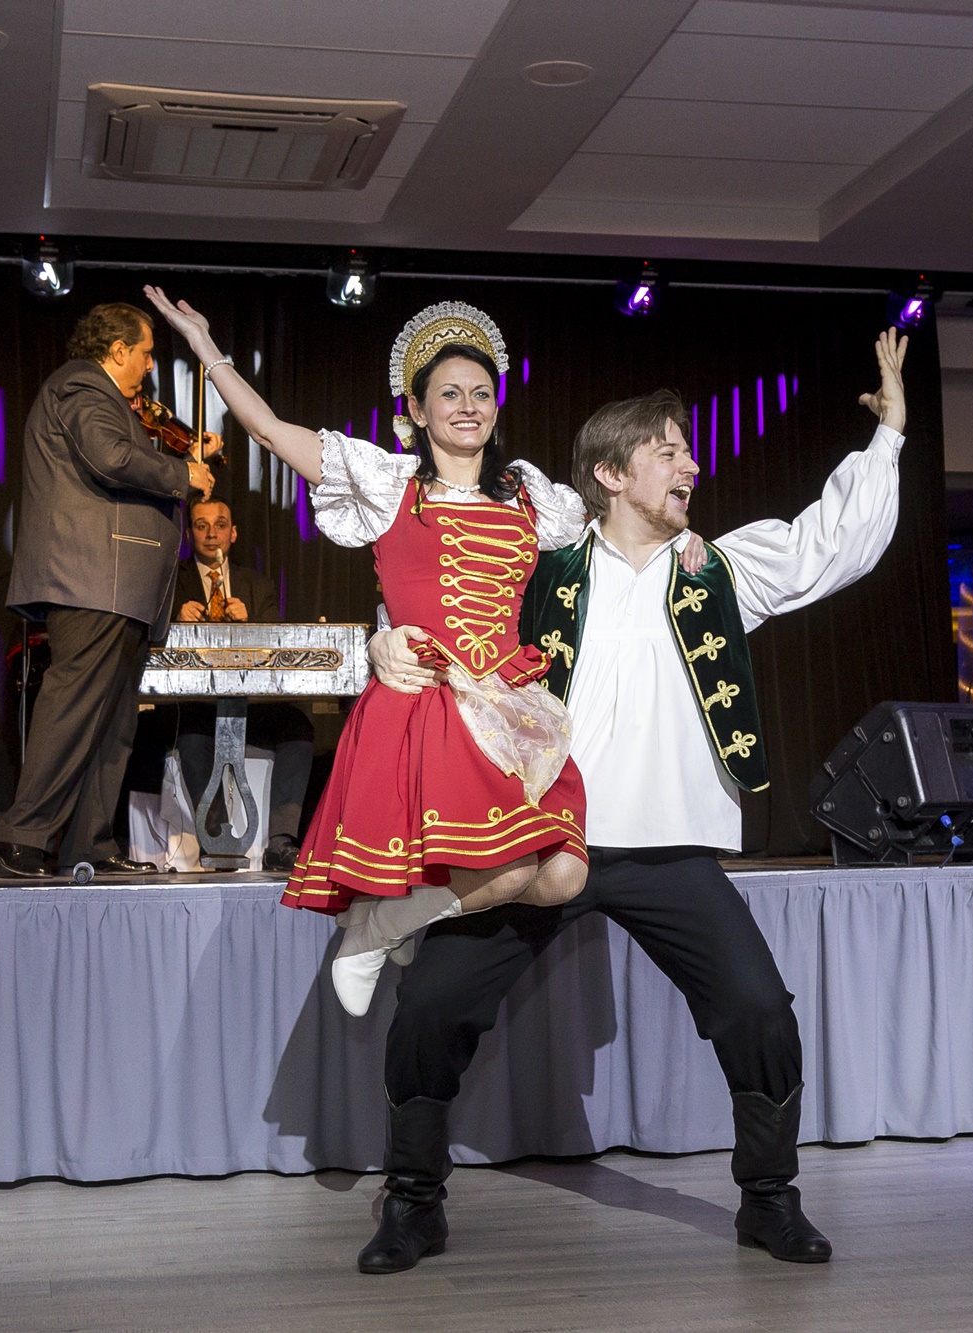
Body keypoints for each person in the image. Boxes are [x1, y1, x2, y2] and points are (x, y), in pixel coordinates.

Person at [355, 329, 909, 1274]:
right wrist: (384, 640)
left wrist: (888, 435)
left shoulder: (718, 569)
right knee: (431, 1005)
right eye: (669, 451)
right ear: (611, 474)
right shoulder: (543, 566)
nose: (691, 466)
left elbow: (833, 541)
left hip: (666, 848)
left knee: (759, 1010)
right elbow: (442, 600)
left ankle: (768, 1199)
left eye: (688, 452)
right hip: (543, 841)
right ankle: (412, 1201)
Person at [147, 288, 621, 1017]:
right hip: (429, 702)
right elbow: (269, 430)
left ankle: (385, 922)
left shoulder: (530, 494)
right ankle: (372, 936)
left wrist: (683, 536)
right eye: (449, 394)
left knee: (563, 877)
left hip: (509, 710)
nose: (468, 406)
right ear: (418, 411)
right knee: (504, 872)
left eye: (481, 393)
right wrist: (206, 347)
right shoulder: (387, 481)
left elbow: (618, 519)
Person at [0, 303, 215, 877]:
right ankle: (22, 836)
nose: (150, 365)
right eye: (145, 353)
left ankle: (89, 843)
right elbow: (111, 458)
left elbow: (123, 456)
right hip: (93, 579)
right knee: (72, 712)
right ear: (117, 350)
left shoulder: (107, 398)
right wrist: (181, 473)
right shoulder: (83, 386)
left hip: (119, 586)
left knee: (114, 727)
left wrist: (183, 457)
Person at [168, 497, 315, 871]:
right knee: (192, 735)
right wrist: (173, 617)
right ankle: (217, 839)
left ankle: (281, 842)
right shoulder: (171, 581)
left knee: (299, 728)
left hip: (252, 703)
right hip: (198, 704)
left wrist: (252, 625)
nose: (211, 534)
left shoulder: (256, 584)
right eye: (201, 525)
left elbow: (279, 647)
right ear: (189, 534)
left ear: (233, 533)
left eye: (220, 525)